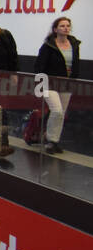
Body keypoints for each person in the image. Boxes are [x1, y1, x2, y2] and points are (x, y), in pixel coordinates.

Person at [34, 16, 80, 153]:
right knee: (57, 110)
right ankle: (49, 138)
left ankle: (54, 141)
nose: (66, 28)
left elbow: (75, 64)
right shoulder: (49, 45)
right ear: (55, 29)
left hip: (66, 84)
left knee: (62, 113)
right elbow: (39, 66)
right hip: (50, 83)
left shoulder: (74, 45)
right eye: (62, 26)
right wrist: (40, 82)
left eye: (67, 26)